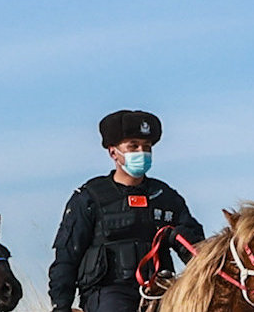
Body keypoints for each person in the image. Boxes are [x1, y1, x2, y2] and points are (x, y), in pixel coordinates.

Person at [49, 110, 205, 312]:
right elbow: (66, 258)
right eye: (133, 146)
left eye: (147, 147)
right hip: (108, 293)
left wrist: (180, 237)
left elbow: (199, 250)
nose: (142, 152)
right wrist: (61, 307)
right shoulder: (89, 198)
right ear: (113, 152)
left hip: (161, 290)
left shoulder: (166, 196)